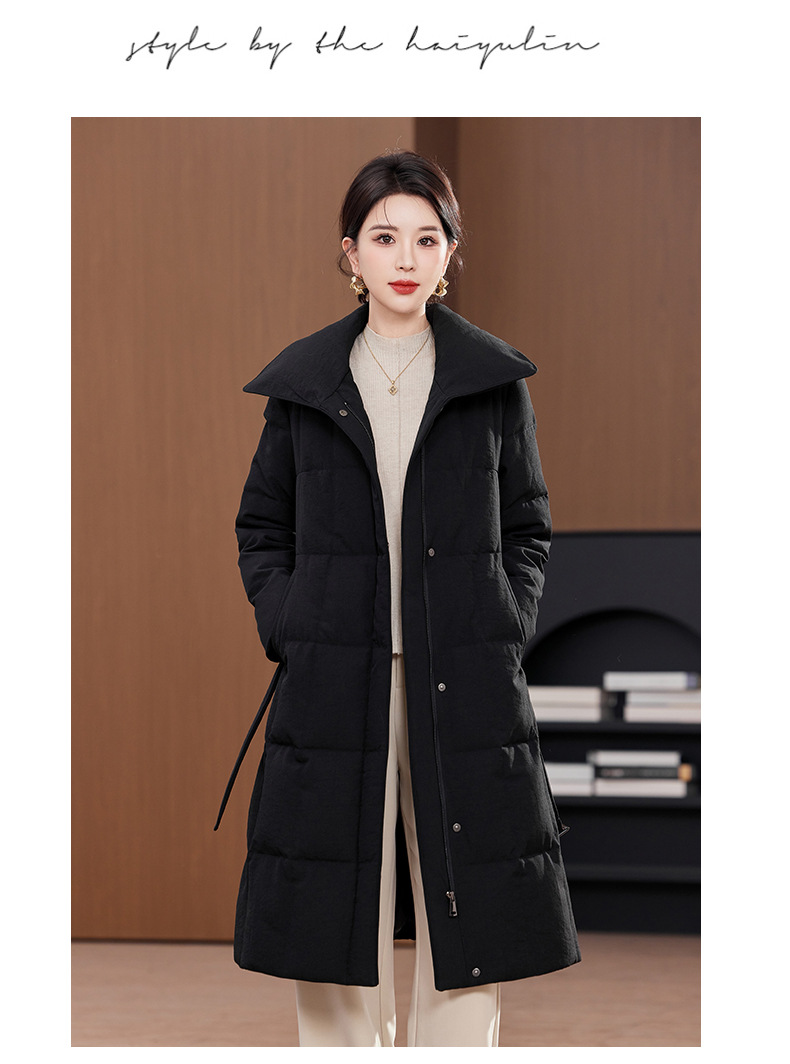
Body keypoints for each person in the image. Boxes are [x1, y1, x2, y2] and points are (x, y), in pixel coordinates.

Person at [216, 149, 580, 1047]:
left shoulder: (491, 383)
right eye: (385, 238)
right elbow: (262, 525)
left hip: (461, 671)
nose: (406, 257)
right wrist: (291, 621)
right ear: (351, 253)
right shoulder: (304, 386)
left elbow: (527, 525)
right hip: (335, 673)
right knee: (334, 901)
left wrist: (503, 619)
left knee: (473, 905)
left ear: (451, 250)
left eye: (426, 237)